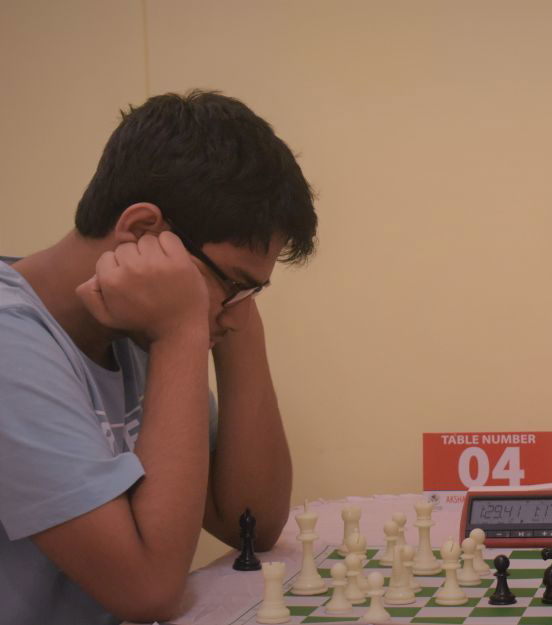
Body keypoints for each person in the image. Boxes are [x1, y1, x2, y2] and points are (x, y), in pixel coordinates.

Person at [0, 91, 317, 624]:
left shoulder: (135, 329)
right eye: (234, 283)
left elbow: (251, 523)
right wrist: (181, 331)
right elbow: (147, 591)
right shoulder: (11, 344)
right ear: (143, 232)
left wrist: (235, 314)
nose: (236, 313)